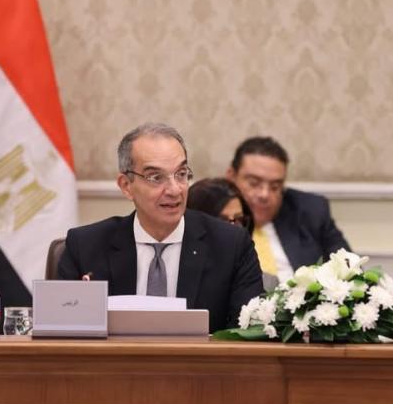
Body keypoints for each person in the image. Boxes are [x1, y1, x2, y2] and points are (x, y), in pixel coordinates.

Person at [58, 123, 263, 332]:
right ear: (126, 186)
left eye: (181, 174)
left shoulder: (231, 246)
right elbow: (64, 333)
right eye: (156, 178)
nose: (174, 190)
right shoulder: (85, 247)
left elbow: (248, 336)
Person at [225, 136, 350, 281]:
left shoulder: (311, 210)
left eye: (275, 187)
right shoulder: (212, 215)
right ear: (231, 177)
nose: (264, 194)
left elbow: (350, 270)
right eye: (254, 183)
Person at [187, 177, 279, 290]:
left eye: (238, 220)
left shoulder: (267, 285)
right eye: (221, 221)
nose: (233, 229)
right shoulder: (174, 279)